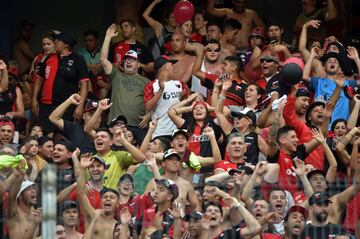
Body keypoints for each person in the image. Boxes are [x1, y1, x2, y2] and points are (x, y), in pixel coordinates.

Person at [32, 32, 89, 135]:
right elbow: (39, 79)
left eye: (58, 41)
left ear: (66, 44)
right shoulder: (49, 58)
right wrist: (34, 99)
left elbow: (84, 84)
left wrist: (80, 106)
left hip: (66, 106)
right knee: (44, 135)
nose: (55, 42)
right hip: (47, 105)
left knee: (63, 137)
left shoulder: (78, 59)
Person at [144, 55, 189, 138]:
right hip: (160, 132)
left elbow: (187, 107)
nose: (174, 68)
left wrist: (182, 98)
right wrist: (161, 90)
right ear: (165, 67)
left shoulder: (179, 84)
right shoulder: (152, 85)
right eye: (171, 65)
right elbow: (148, 107)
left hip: (178, 132)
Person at [145, 149, 201, 213]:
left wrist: (194, 220)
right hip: (159, 220)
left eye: (177, 160)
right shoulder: (153, 182)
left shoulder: (186, 184)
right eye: (171, 159)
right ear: (163, 164)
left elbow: (197, 206)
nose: (174, 162)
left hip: (179, 221)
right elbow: (144, 203)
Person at [76, 155, 119, 238]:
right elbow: (81, 193)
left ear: (118, 204)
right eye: (105, 197)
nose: (108, 199)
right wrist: (82, 169)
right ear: (101, 201)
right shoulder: (93, 215)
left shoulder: (118, 226)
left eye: (112, 197)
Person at [7, 161, 41, 239]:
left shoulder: (35, 213)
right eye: (28, 189)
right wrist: (21, 175)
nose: (33, 191)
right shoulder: (14, 212)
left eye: (33, 188)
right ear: (20, 196)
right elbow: (12, 197)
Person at [77, 30, 106, 99]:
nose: (87, 43)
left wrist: (98, 66)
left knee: (104, 91)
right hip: (86, 81)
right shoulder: (81, 52)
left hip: (101, 80)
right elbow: (77, 64)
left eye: (90, 40)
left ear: (97, 41)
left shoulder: (103, 52)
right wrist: (89, 66)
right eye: (86, 41)